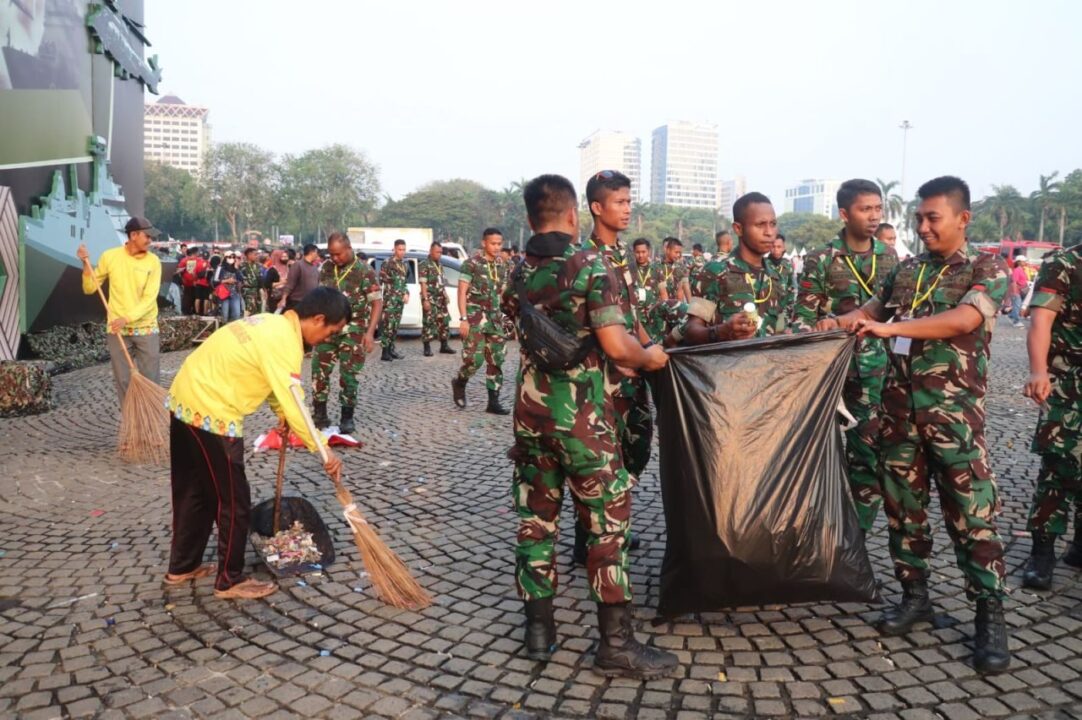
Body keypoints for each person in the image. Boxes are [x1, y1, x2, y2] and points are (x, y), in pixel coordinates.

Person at [831, 176, 1010, 674]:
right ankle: (915, 596)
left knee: (971, 515)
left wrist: (890, 328)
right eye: (919, 218)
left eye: (933, 218)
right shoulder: (907, 270)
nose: (923, 226)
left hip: (953, 419)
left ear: (962, 219)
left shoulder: (987, 267)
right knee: (903, 512)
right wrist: (831, 324)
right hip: (898, 416)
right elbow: (867, 311)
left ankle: (989, 615)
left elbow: (961, 321)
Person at [502, 173, 676, 678]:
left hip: (530, 420)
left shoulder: (520, 271)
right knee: (607, 528)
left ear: (533, 216)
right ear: (575, 214)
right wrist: (652, 358)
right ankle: (615, 645)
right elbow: (620, 346)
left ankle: (539, 633)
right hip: (582, 422)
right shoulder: (591, 266)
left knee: (536, 523)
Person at [164, 287, 346, 599]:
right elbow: (294, 399)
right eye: (332, 332)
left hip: (184, 400)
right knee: (234, 501)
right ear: (317, 319)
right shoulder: (285, 342)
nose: (328, 339)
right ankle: (229, 580)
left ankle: (182, 567)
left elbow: (277, 389)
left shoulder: (269, 323)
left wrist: (283, 415)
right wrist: (323, 449)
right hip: (212, 412)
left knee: (196, 492)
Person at [794, 178, 898, 532]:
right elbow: (802, 318)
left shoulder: (890, 257)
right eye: (864, 209)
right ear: (844, 213)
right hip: (828, 375)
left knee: (867, 455)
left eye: (878, 209)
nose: (873, 216)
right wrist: (815, 330)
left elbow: (898, 313)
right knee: (815, 455)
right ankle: (811, 529)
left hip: (874, 373)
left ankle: (856, 536)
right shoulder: (821, 259)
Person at [577, 170, 651, 564]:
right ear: (596, 207)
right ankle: (590, 537)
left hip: (630, 374)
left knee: (634, 447)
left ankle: (608, 527)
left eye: (628, 201)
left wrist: (647, 348)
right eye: (619, 202)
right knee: (598, 459)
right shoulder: (584, 258)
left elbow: (630, 313)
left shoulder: (623, 255)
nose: (627, 209)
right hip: (600, 379)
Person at [1020, 242, 1082, 589]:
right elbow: (1041, 320)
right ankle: (1042, 551)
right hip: (1069, 380)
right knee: (1060, 463)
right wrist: (1037, 371)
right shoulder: (1064, 263)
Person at [77, 217, 163, 403]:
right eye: (147, 236)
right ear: (133, 235)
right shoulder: (110, 256)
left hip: (146, 328)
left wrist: (127, 318)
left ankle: (152, 422)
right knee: (123, 380)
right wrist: (85, 264)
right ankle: (131, 421)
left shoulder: (153, 261)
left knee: (151, 379)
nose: (150, 240)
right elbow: (90, 287)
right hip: (117, 329)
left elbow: (149, 299)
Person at [685, 193, 785, 341]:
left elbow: (780, 328)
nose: (769, 232)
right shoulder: (715, 271)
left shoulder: (775, 276)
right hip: (726, 362)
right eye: (760, 224)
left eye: (773, 224)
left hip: (766, 362)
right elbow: (691, 330)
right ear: (738, 229)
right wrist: (721, 331)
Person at [311, 232, 383, 435]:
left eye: (338, 254)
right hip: (326, 331)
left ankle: (347, 417)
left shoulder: (364, 271)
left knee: (349, 376)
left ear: (349, 248)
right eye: (331, 254)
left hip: (353, 332)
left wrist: (370, 333)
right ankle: (320, 414)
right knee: (319, 373)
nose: (335, 258)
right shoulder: (326, 268)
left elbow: (377, 302)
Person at [452, 228, 510, 413]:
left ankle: (493, 402)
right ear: (484, 243)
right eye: (493, 243)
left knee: (496, 360)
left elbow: (503, 292)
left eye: (499, 244)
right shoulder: (471, 264)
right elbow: (461, 291)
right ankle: (460, 382)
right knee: (474, 360)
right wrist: (463, 319)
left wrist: (507, 316)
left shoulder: (503, 264)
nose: (496, 247)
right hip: (475, 318)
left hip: (495, 319)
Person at [419, 241, 454, 356]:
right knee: (428, 322)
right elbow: (423, 284)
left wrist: (445, 294)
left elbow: (441, 282)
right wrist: (425, 300)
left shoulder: (439, 265)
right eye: (437, 252)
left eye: (440, 252)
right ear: (430, 251)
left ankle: (444, 345)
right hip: (431, 298)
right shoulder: (424, 265)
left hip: (441, 298)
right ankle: (427, 347)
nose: (439, 254)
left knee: (444, 321)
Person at [632, 238, 669, 344]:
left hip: (654, 317)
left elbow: (663, 293)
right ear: (634, 252)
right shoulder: (629, 269)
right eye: (637, 252)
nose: (641, 255)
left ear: (649, 251)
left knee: (656, 346)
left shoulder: (657, 269)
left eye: (643, 252)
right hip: (636, 318)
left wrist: (665, 312)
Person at [379, 239, 410, 361]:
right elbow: (383, 280)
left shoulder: (404, 264)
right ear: (394, 249)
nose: (402, 252)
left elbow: (404, 282)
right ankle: (384, 352)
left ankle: (391, 349)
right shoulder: (387, 263)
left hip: (399, 300)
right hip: (390, 300)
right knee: (388, 325)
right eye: (400, 249)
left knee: (395, 325)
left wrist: (406, 293)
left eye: (403, 249)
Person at [278, 244, 321, 313]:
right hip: (297, 302)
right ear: (312, 252)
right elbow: (290, 284)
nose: (317, 255)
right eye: (316, 252)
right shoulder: (298, 265)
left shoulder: (315, 268)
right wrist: (283, 299)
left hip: (311, 303)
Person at [768, 233, 796, 323]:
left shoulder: (788, 265)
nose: (776, 249)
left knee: (782, 334)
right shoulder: (762, 265)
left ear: (783, 248)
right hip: (767, 313)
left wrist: (790, 310)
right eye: (773, 246)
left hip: (783, 312)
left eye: (779, 247)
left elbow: (792, 288)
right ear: (769, 247)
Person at [213, 251, 245, 323]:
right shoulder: (220, 268)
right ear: (225, 258)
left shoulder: (235, 269)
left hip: (235, 294)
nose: (232, 259)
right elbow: (215, 282)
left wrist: (236, 269)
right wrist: (226, 280)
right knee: (225, 315)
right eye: (230, 257)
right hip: (224, 295)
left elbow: (241, 279)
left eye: (233, 257)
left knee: (236, 315)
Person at [179, 246, 208, 316]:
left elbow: (180, 271)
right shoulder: (199, 260)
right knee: (197, 298)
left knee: (187, 298)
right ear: (195, 253)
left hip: (187, 282)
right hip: (197, 282)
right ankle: (197, 311)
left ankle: (186, 312)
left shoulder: (184, 260)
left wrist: (182, 279)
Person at [239, 247, 264, 316]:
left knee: (259, 312)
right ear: (249, 255)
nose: (257, 256)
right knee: (249, 311)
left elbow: (260, 278)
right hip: (247, 292)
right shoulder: (242, 266)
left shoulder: (258, 265)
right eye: (255, 254)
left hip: (257, 291)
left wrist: (263, 289)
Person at [1008, 256, 1029, 327]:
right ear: (1019, 262)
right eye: (1024, 261)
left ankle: (1011, 315)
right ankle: (1016, 321)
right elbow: (1014, 281)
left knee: (1017, 305)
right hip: (1016, 291)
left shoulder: (1021, 269)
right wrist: (1014, 292)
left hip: (1019, 291)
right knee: (1017, 305)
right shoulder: (1017, 270)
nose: (1025, 262)